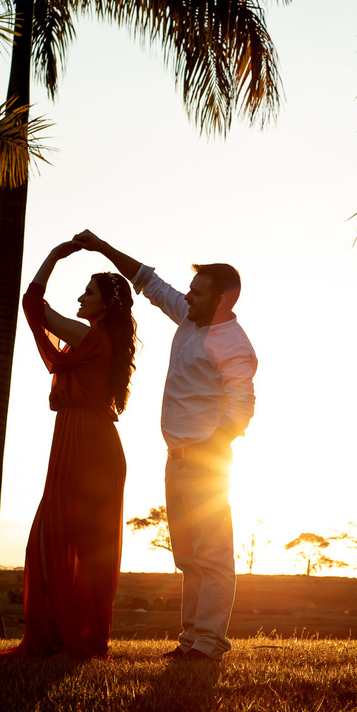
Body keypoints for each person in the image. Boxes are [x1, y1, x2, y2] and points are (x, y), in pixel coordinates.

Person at [74, 229, 257, 662]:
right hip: (176, 459)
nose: (187, 296)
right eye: (190, 290)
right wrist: (102, 247)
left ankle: (209, 644)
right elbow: (149, 282)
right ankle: (191, 639)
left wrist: (209, 448)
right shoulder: (190, 318)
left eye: (197, 292)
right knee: (190, 557)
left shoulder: (234, 345)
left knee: (212, 556)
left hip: (206, 461)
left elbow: (243, 405)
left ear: (222, 300)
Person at [10, 239, 138, 659]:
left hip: (89, 445)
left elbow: (32, 304)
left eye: (89, 293)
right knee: (54, 538)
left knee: (79, 542)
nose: (81, 298)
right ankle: (69, 634)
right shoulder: (88, 341)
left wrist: (55, 256)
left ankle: (82, 638)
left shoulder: (90, 337)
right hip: (77, 438)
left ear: (105, 306)